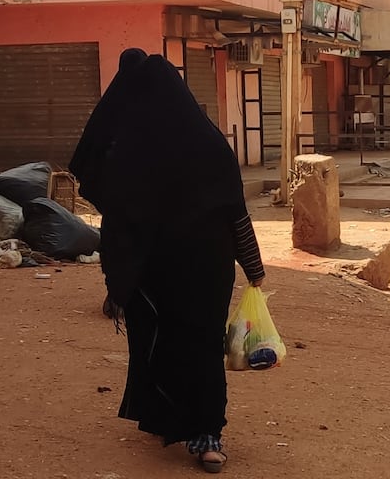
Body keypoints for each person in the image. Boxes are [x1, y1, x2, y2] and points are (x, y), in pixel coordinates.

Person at [70, 49, 266, 474]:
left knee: (159, 342)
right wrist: (254, 268)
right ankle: (207, 435)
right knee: (202, 346)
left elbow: (103, 197)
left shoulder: (126, 152)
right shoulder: (209, 142)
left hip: (150, 270)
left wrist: (119, 277)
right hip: (206, 267)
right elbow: (236, 211)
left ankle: (179, 421)